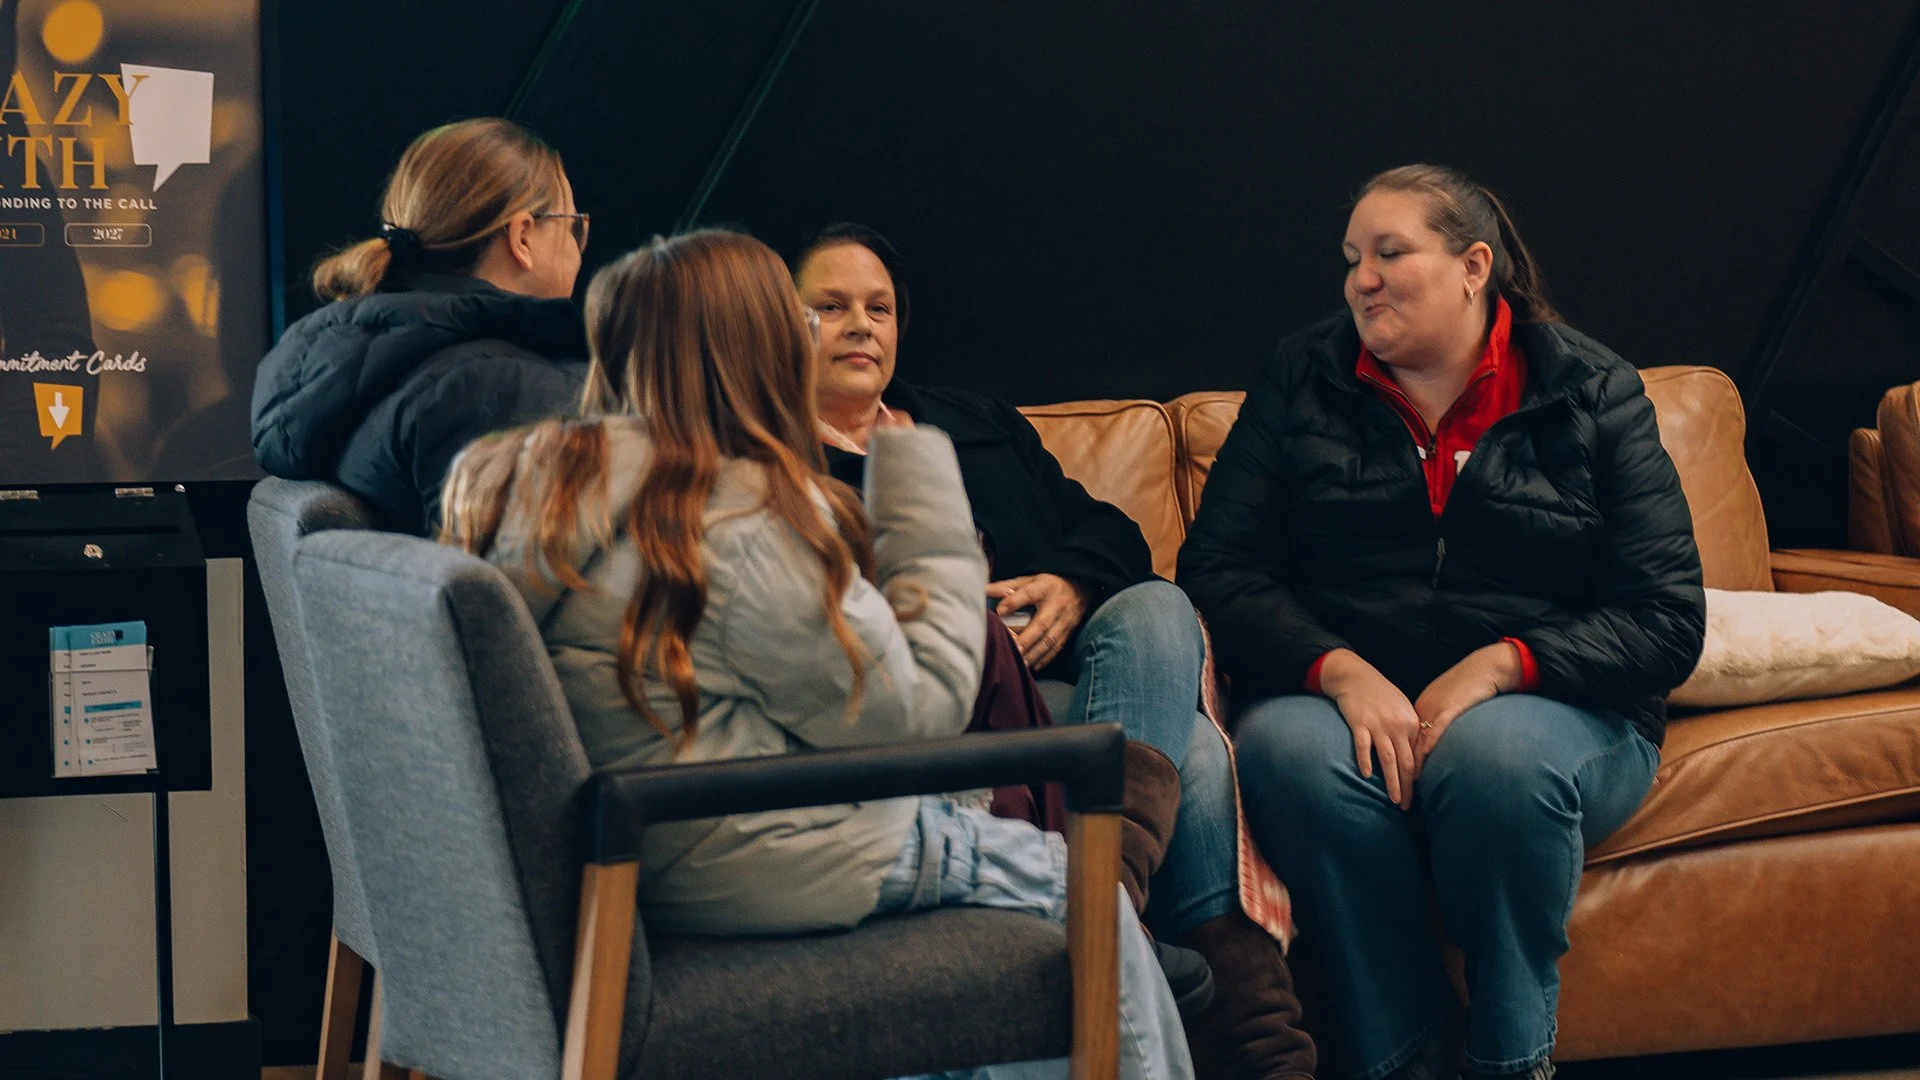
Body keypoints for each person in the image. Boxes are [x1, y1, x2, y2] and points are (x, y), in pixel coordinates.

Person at [441, 229, 1194, 1080]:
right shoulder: (729, 520)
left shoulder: (538, 490)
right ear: (759, 348)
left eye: (876, 308)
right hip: (759, 849)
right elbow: (917, 714)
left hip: (646, 849)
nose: (840, 331)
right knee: (1082, 893)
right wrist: (920, 487)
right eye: (811, 316)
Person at [1179, 165, 1706, 1080]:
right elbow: (1218, 571)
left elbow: (1665, 617)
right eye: (1352, 258)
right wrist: (1338, 670)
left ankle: (1510, 1061)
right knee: (1286, 753)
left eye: (1390, 253)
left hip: (1560, 713)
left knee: (1496, 761)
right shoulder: (1301, 377)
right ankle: (1405, 1058)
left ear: (1474, 267)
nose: (1361, 280)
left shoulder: (1592, 391)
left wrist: (1501, 666)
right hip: (1341, 705)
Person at [794, 224, 1313, 1080]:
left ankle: (1105, 900)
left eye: (878, 308)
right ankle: (1255, 1043)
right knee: (1191, 749)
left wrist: (1071, 586)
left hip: (1087, 678)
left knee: (1158, 605)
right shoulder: (776, 463)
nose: (861, 325)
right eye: (832, 306)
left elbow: (1110, 530)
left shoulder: (975, 423)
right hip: (960, 715)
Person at [252, 117, 589, 535]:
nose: (576, 245)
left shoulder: (337, 369)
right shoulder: (507, 392)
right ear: (522, 237)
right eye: (572, 225)